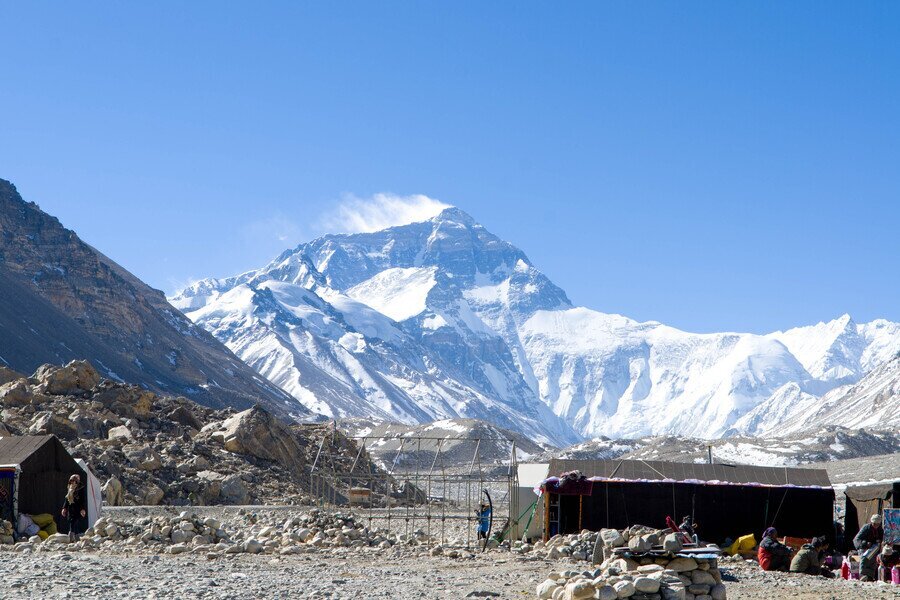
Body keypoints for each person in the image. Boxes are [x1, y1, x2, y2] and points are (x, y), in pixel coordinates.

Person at [854, 514, 884, 581]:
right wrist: (865, 543)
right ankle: (863, 574)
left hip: (874, 548)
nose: (876, 526)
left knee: (874, 560)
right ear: (871, 522)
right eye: (874, 524)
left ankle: (870, 576)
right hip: (864, 547)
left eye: (877, 524)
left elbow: (881, 539)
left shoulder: (880, 530)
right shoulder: (866, 528)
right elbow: (857, 539)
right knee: (864, 558)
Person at [61, 474, 86, 542]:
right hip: (71, 507)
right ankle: (75, 538)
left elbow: (82, 499)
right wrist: (64, 508)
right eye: (71, 480)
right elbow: (67, 498)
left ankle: (72, 537)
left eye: (73, 480)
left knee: (74, 521)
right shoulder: (70, 487)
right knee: (72, 521)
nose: (72, 482)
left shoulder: (80, 488)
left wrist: (82, 509)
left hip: (77, 507)